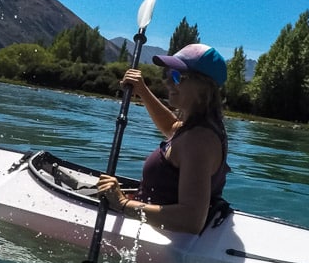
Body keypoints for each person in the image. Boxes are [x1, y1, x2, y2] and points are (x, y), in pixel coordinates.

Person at [96, 43, 230, 234]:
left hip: (164, 231)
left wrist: (123, 204)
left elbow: (191, 219)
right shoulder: (201, 128)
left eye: (177, 77)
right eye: (168, 75)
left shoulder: (198, 141)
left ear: (203, 87)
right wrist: (142, 91)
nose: (168, 83)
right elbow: (171, 128)